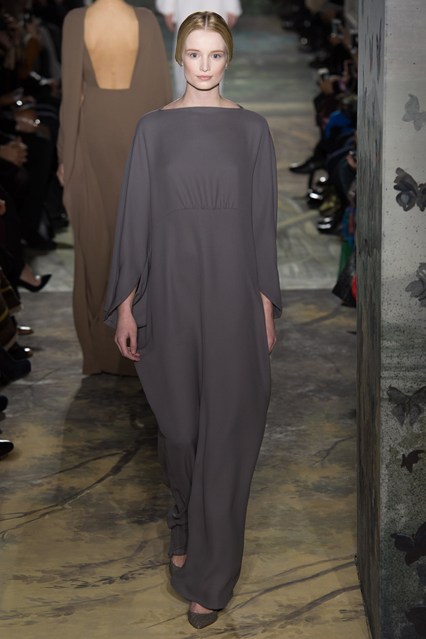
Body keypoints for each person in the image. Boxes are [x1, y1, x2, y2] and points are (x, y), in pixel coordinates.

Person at [105, 11, 282, 629]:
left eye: (215, 54)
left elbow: (262, 225)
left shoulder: (252, 130)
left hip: (234, 299)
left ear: (229, 58)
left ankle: (212, 578)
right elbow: (134, 219)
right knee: (180, 433)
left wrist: (265, 306)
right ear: (178, 57)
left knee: (228, 437)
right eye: (194, 54)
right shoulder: (153, 129)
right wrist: (125, 304)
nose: (204, 66)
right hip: (171, 295)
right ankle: (181, 517)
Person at [57, 0, 172, 375]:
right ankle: (143, 340)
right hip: (140, 131)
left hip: (94, 132)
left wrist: (65, 155)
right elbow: (160, 92)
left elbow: (71, 95)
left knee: (98, 237)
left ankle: (103, 350)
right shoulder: (145, 21)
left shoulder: (76, 21)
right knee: (143, 233)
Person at [156, 0, 241, 97]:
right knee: (186, 47)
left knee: (215, 51)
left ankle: (213, 100)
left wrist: (231, 6)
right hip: (186, 6)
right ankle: (184, 98)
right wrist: (168, 8)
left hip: (216, 5)